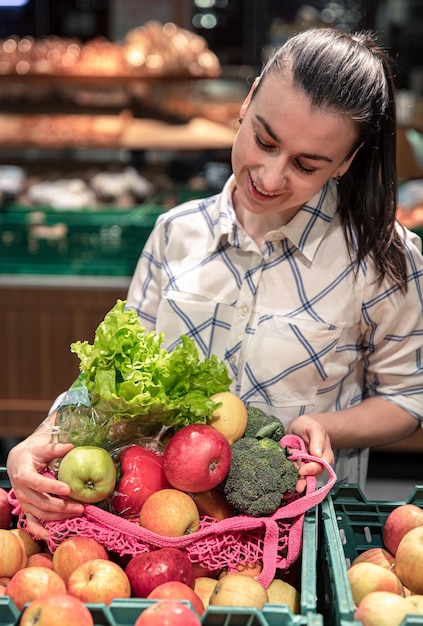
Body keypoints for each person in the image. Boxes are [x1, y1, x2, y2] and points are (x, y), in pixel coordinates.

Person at [7, 27, 423, 540]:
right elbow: (112, 379)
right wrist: (40, 439)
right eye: (264, 141)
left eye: (306, 165)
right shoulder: (174, 234)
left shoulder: (385, 259)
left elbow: (407, 399)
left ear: (346, 163)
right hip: (161, 523)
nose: (269, 178)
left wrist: (324, 427)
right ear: (247, 102)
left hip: (304, 525)